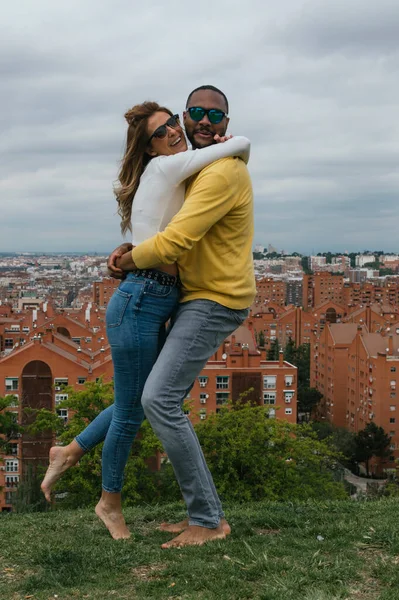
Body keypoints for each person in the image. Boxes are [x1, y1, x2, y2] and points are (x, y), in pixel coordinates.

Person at [40, 96, 250, 541]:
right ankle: (113, 503)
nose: (178, 129)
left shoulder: (207, 168)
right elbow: (172, 241)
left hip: (168, 296)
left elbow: (170, 236)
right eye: (167, 128)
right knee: (142, 405)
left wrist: (128, 256)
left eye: (174, 122)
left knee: (144, 401)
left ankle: (72, 453)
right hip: (146, 298)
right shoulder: (172, 166)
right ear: (150, 147)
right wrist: (129, 260)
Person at [111, 84, 256, 548]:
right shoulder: (197, 170)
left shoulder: (221, 175)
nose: (204, 121)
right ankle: (71, 451)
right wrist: (133, 250)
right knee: (144, 396)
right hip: (193, 296)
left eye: (215, 115)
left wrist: (125, 262)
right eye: (194, 112)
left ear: (226, 125)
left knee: (158, 399)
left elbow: (174, 243)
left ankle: (209, 521)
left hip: (214, 299)